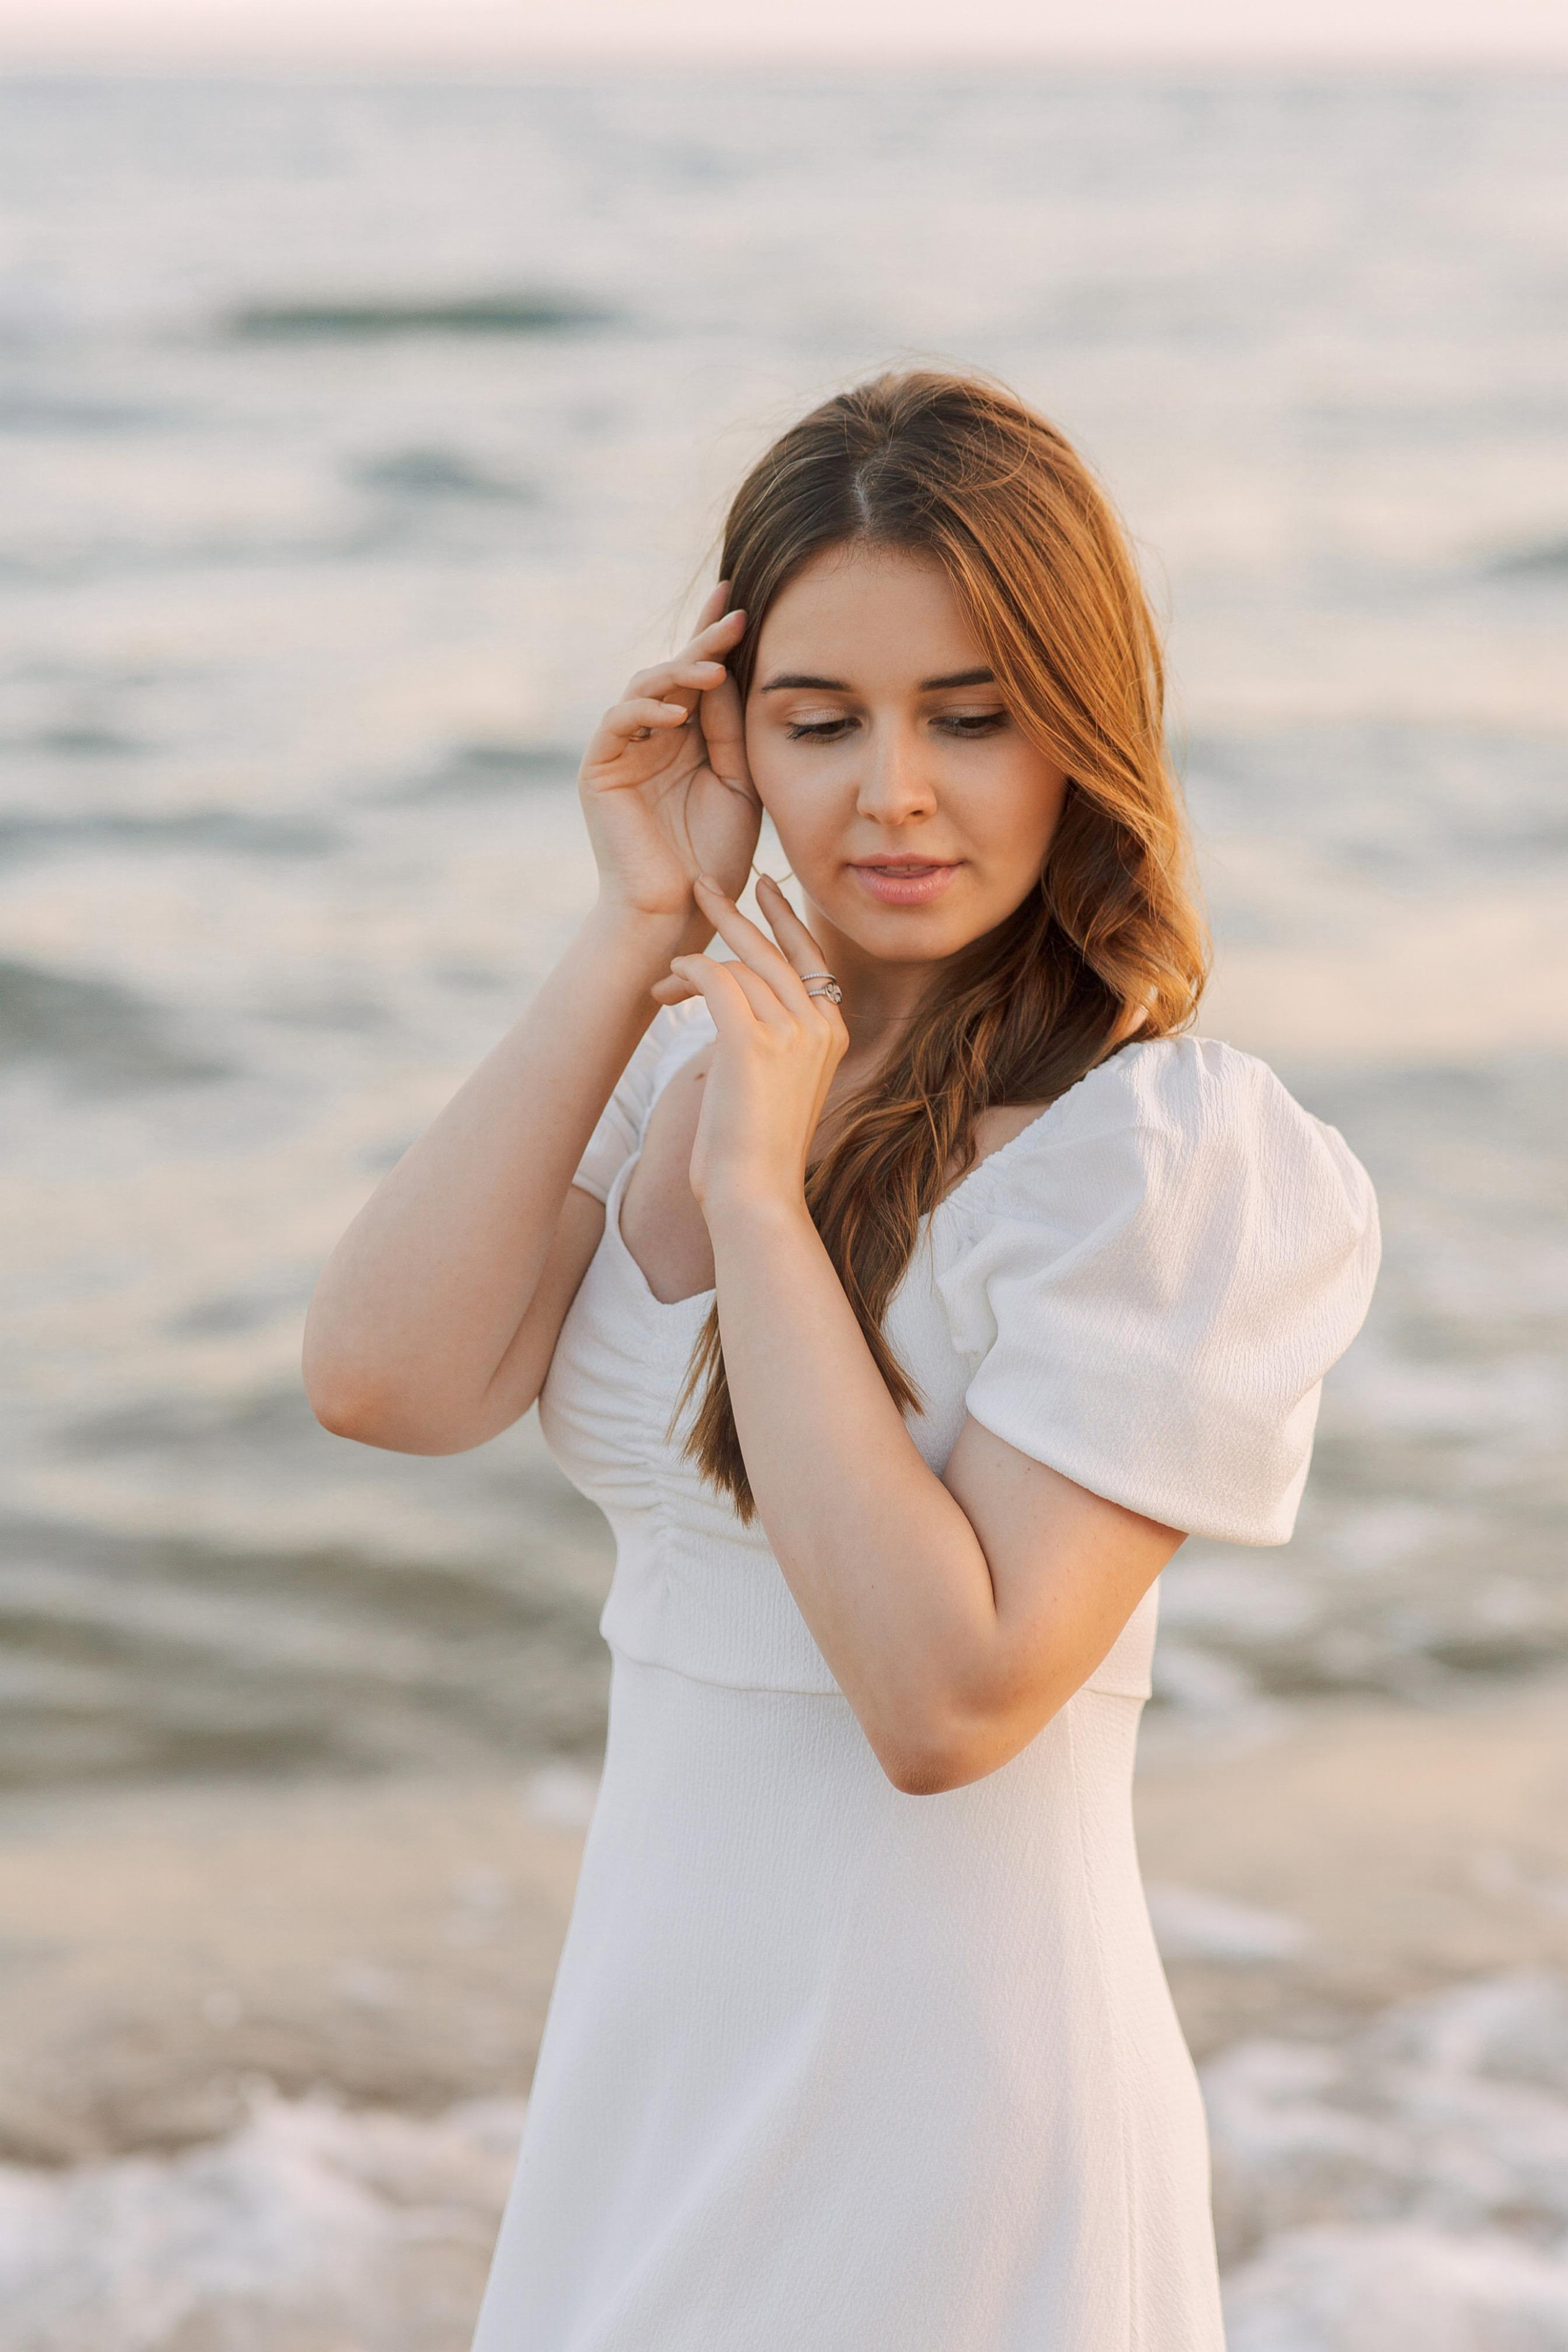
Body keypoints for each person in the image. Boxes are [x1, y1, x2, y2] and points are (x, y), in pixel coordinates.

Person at [304, 370, 1381, 2351]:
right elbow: (385, 1381)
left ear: (1083, 728)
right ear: (731, 734)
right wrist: (635, 927)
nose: (893, 791)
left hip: (952, 2115)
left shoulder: (1160, 1156)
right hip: (653, 2063)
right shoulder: (685, 1058)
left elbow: (947, 1699)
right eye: (821, 722)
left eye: (970, 717)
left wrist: (762, 1197)